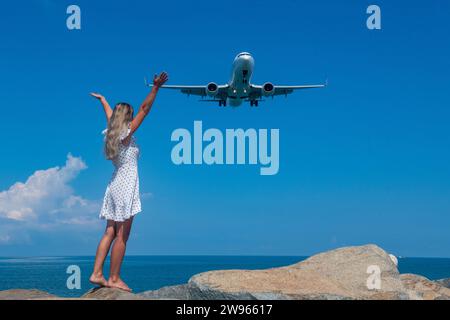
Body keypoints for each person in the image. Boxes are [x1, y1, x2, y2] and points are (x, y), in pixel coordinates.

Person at [88, 72, 168, 292]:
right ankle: (113, 277)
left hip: (114, 184)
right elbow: (145, 109)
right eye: (130, 115)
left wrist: (103, 101)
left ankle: (97, 273)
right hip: (125, 184)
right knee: (123, 234)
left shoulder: (111, 134)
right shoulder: (125, 134)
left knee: (110, 231)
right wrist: (155, 88)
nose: (134, 118)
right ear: (127, 118)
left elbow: (109, 116)